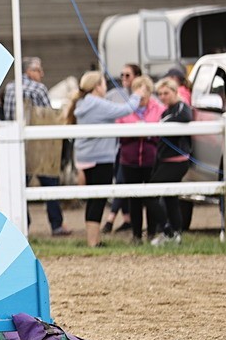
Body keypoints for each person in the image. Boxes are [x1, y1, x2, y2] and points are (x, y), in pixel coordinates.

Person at [67, 71, 142, 247]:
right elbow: (124, 110)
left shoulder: (84, 102)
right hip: (100, 157)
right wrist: (137, 95)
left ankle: (93, 239)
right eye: (103, 83)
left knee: (93, 199)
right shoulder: (96, 103)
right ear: (97, 86)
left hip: (86, 156)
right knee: (98, 199)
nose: (106, 87)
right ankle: (93, 241)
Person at [3, 57, 71, 236]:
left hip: (15, 143)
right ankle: (56, 224)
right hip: (38, 144)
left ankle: (23, 223)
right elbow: (49, 116)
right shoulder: (39, 89)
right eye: (39, 70)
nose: (42, 74)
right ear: (29, 71)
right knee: (49, 182)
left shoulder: (10, 87)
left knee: (19, 184)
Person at [115, 75, 163, 244]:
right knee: (134, 199)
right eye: (138, 91)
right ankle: (136, 235)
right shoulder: (125, 109)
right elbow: (119, 131)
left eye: (145, 91)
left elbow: (162, 133)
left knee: (152, 198)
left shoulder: (159, 109)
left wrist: (147, 134)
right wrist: (135, 134)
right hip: (130, 160)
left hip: (151, 159)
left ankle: (151, 233)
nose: (142, 96)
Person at [149, 76, 193, 245]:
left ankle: (168, 231)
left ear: (175, 92)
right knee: (170, 198)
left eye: (166, 93)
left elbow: (185, 116)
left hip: (177, 160)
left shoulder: (181, 107)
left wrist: (160, 123)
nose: (162, 97)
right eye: (160, 94)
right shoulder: (167, 111)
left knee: (150, 194)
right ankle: (175, 233)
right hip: (165, 159)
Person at [104, 63, 141, 233]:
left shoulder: (143, 94)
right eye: (122, 75)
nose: (124, 79)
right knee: (121, 179)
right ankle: (127, 218)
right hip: (118, 145)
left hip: (135, 146)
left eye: (128, 75)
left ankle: (110, 219)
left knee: (121, 180)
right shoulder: (114, 95)